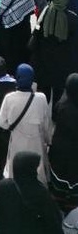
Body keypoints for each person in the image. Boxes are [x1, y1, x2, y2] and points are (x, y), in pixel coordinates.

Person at [0, 64, 52, 184]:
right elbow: (46, 123)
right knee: (37, 170)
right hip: (36, 142)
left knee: (15, 169)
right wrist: (48, 140)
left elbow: (2, 122)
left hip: (17, 140)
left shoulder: (9, 98)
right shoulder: (41, 98)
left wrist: (11, 127)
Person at [0, 150, 63, 234]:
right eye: (37, 166)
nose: (39, 168)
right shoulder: (40, 192)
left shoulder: (5, 186)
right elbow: (54, 223)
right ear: (31, 169)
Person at [49, 73, 78, 209]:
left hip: (60, 151)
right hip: (75, 153)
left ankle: (59, 204)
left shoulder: (62, 106)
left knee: (60, 180)